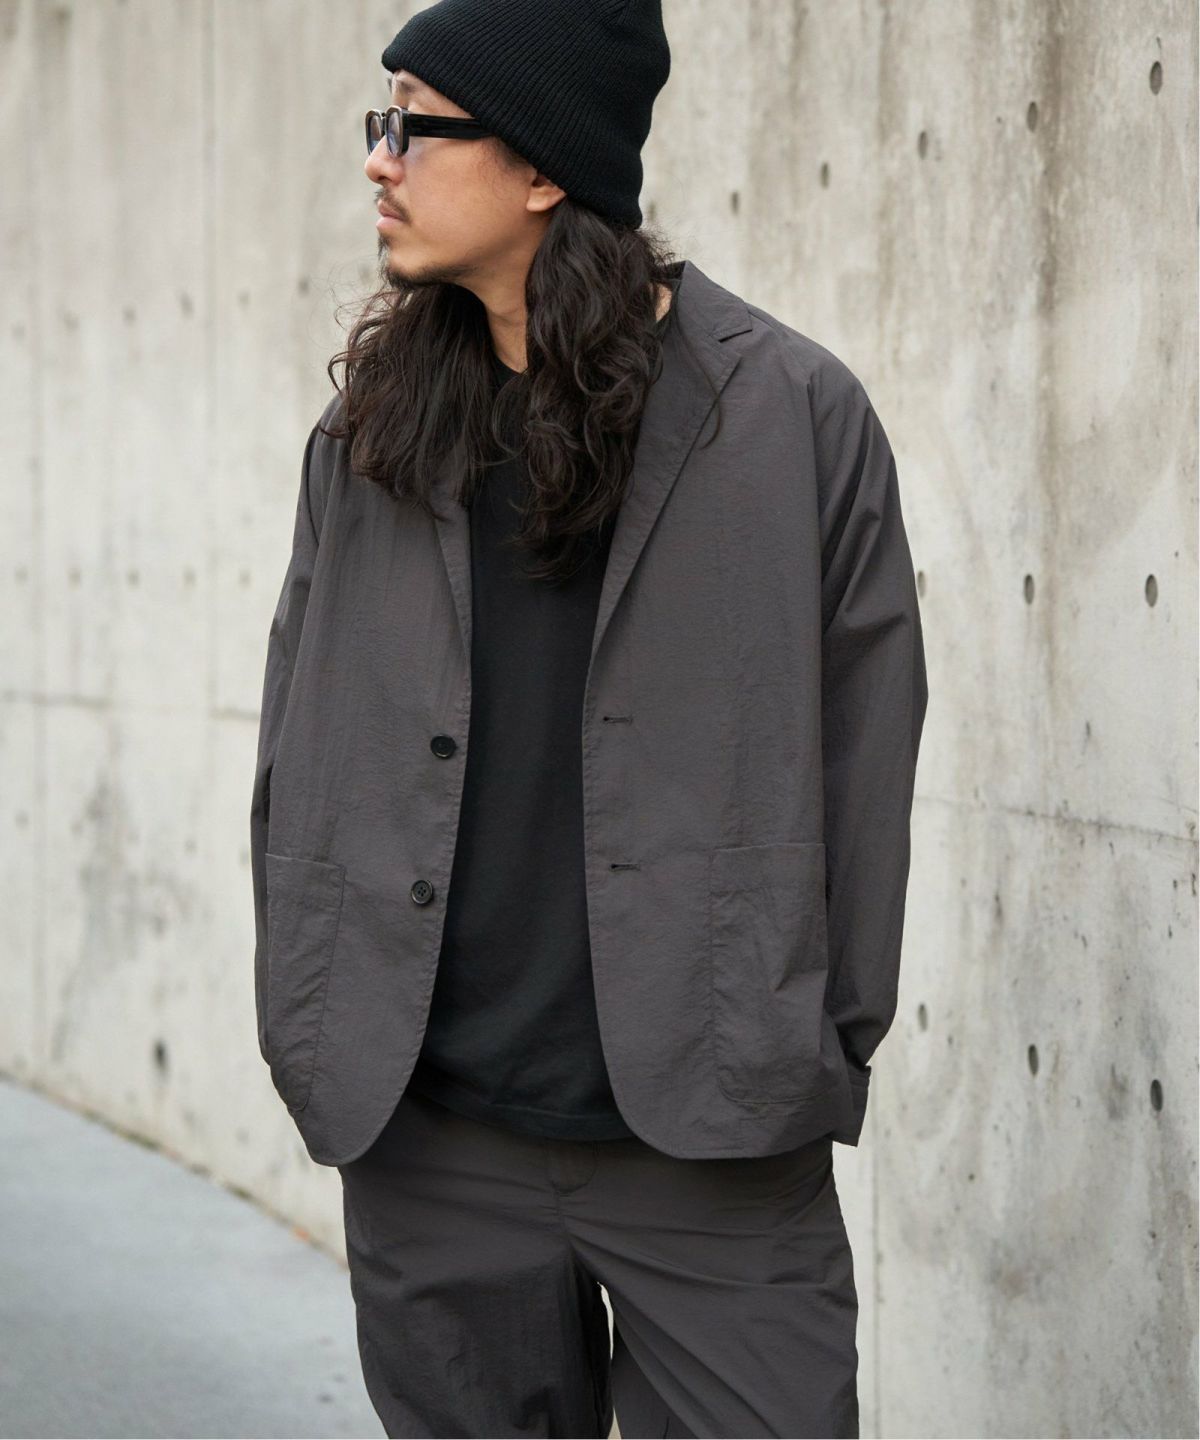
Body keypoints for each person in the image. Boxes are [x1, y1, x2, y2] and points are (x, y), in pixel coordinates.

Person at [249, 0, 929, 1434]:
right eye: (381, 123)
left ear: (545, 167)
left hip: (713, 1146)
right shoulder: (371, 433)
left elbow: (869, 755)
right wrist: (310, 1009)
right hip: (429, 1139)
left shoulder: (790, 416)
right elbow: (297, 741)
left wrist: (808, 1046)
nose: (379, 159)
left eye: (415, 126)